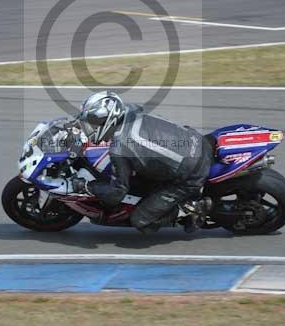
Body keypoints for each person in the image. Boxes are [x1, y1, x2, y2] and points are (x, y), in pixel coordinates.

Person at [69, 91, 214, 233]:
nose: (90, 127)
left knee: (140, 220)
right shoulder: (131, 111)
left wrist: (87, 186)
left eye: (93, 123)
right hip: (195, 140)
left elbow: (116, 194)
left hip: (192, 173)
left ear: (108, 121)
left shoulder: (120, 150)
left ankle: (193, 208)